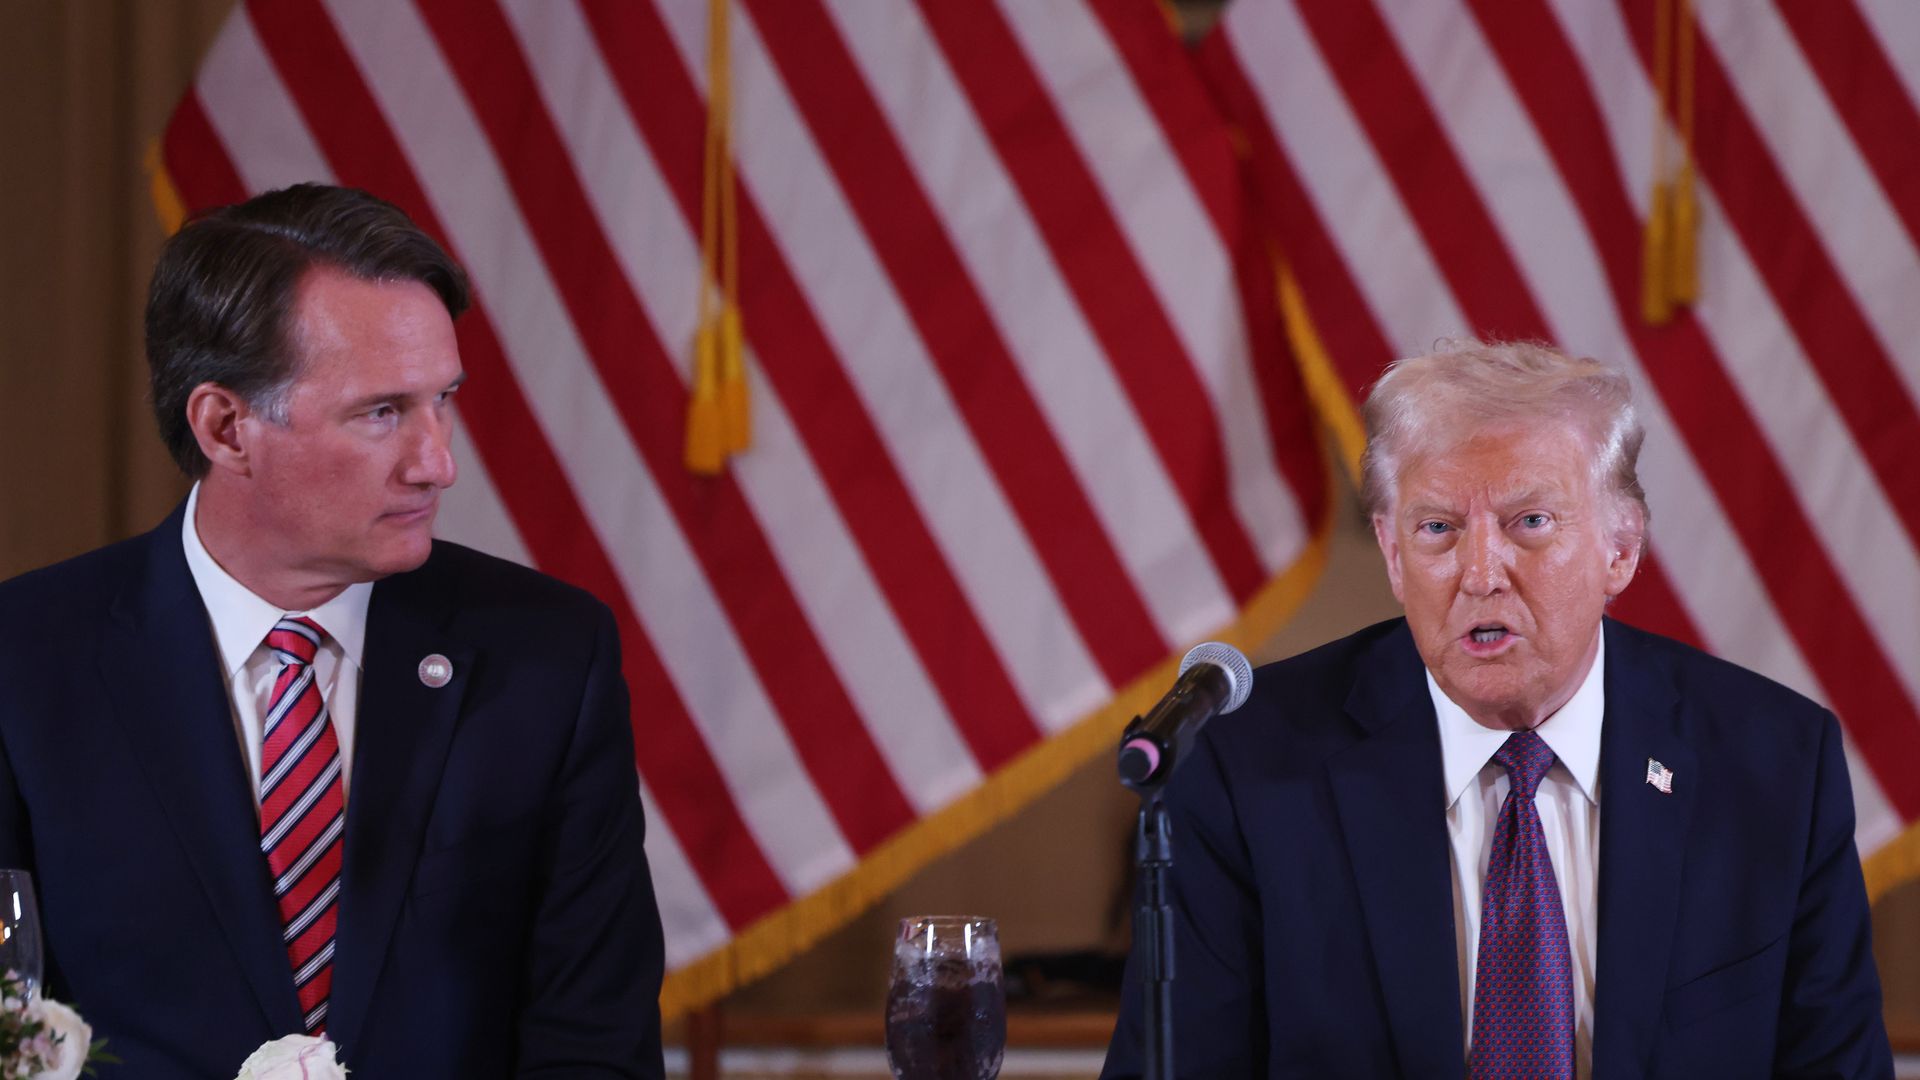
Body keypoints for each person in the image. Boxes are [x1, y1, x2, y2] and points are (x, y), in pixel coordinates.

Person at [0, 184, 665, 1077]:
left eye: (444, 400)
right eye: (382, 412)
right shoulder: (27, 661)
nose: (439, 462)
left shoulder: (547, 660)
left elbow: (595, 1048)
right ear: (227, 426)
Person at [1102, 341, 1891, 1079]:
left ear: (1621, 548)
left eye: (1530, 523)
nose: (1480, 573)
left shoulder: (1773, 764)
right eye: (1438, 529)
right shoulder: (1248, 768)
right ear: (1392, 554)